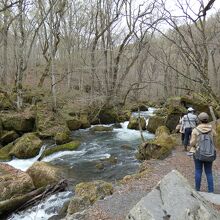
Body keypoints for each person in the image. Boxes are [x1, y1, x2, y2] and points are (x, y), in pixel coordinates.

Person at [189, 112, 217, 193]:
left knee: (198, 170)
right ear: (208, 120)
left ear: (199, 120)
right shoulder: (212, 130)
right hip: (210, 153)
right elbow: (214, 143)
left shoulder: (195, 130)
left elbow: (192, 143)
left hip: (198, 153)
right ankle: (211, 191)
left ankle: (197, 190)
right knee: (209, 172)